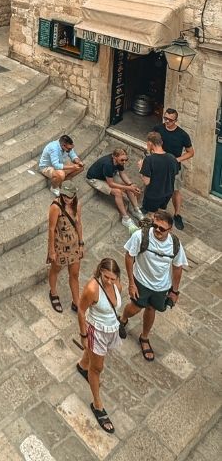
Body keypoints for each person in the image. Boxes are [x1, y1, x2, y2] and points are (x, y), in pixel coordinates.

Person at [119, 210, 188, 362]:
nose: (157, 230)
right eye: (155, 226)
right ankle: (123, 318)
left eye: (162, 229)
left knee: (151, 309)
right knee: (136, 307)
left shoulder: (175, 244)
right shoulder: (141, 236)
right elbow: (129, 256)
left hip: (161, 286)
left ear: (170, 230)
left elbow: (177, 267)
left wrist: (174, 291)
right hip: (141, 281)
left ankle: (144, 338)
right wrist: (131, 283)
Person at [76, 258, 123, 435]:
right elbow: (81, 310)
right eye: (106, 277)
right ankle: (97, 404)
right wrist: (83, 335)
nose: (109, 281)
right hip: (97, 331)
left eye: (113, 278)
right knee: (97, 368)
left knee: (93, 361)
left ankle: (82, 366)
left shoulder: (117, 285)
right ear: (100, 271)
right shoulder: (92, 289)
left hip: (111, 329)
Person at [46, 180, 83, 314]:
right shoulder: (56, 207)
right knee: (55, 269)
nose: (67, 199)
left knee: (74, 273)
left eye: (69, 196)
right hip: (60, 245)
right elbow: (51, 229)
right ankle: (53, 292)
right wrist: (51, 250)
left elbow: (78, 224)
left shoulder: (77, 205)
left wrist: (81, 243)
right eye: (65, 196)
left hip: (73, 245)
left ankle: (76, 301)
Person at [155, 108, 194, 230]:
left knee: (175, 190)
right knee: (157, 187)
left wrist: (177, 159)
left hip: (174, 167)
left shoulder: (182, 135)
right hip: (160, 164)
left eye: (170, 120)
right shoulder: (158, 129)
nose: (167, 121)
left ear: (175, 120)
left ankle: (177, 215)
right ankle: (155, 210)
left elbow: (190, 152)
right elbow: (151, 142)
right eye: (165, 118)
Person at [86, 147, 144, 228]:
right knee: (117, 192)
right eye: (122, 160)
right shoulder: (108, 164)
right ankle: (125, 218)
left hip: (107, 176)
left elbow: (122, 174)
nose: (124, 162)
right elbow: (111, 184)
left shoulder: (119, 162)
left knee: (130, 186)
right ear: (114, 157)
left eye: (125, 160)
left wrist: (131, 185)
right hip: (94, 179)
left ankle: (136, 209)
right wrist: (128, 188)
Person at [139, 131, 178, 214]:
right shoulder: (172, 158)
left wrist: (140, 168)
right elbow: (174, 173)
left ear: (149, 143)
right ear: (161, 142)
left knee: (151, 216)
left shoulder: (149, 160)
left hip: (153, 194)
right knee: (160, 214)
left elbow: (146, 182)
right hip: (167, 193)